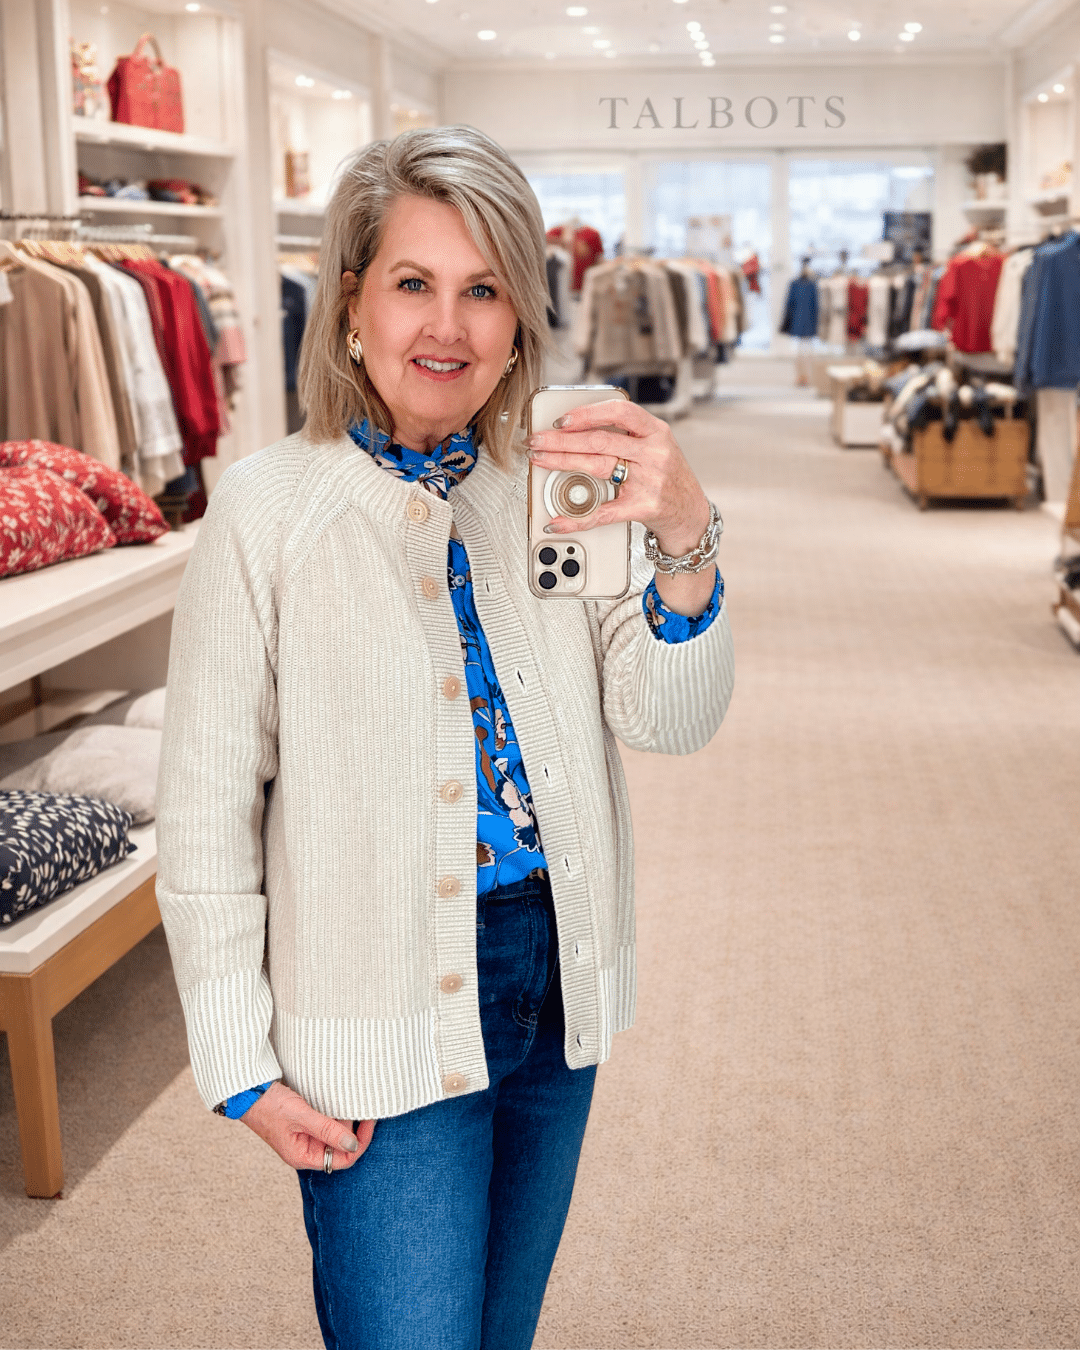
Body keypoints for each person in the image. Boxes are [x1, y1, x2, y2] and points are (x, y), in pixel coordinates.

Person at [156, 125, 735, 1350]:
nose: (449, 328)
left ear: (522, 319)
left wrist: (684, 534)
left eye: (485, 292)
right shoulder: (266, 511)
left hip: (551, 977)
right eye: (414, 283)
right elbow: (206, 814)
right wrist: (239, 1062)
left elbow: (668, 717)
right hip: (372, 1002)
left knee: (500, 1332)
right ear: (352, 301)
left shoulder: (558, 475)